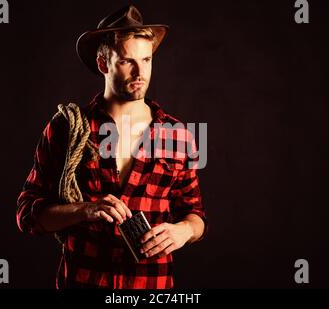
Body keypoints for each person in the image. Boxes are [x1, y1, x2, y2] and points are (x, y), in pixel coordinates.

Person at [16, 5, 207, 289]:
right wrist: (84, 210)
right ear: (103, 63)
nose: (140, 71)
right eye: (127, 61)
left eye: (146, 59)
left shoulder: (178, 136)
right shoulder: (67, 128)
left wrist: (183, 230)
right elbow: (27, 214)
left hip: (151, 288)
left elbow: (195, 215)